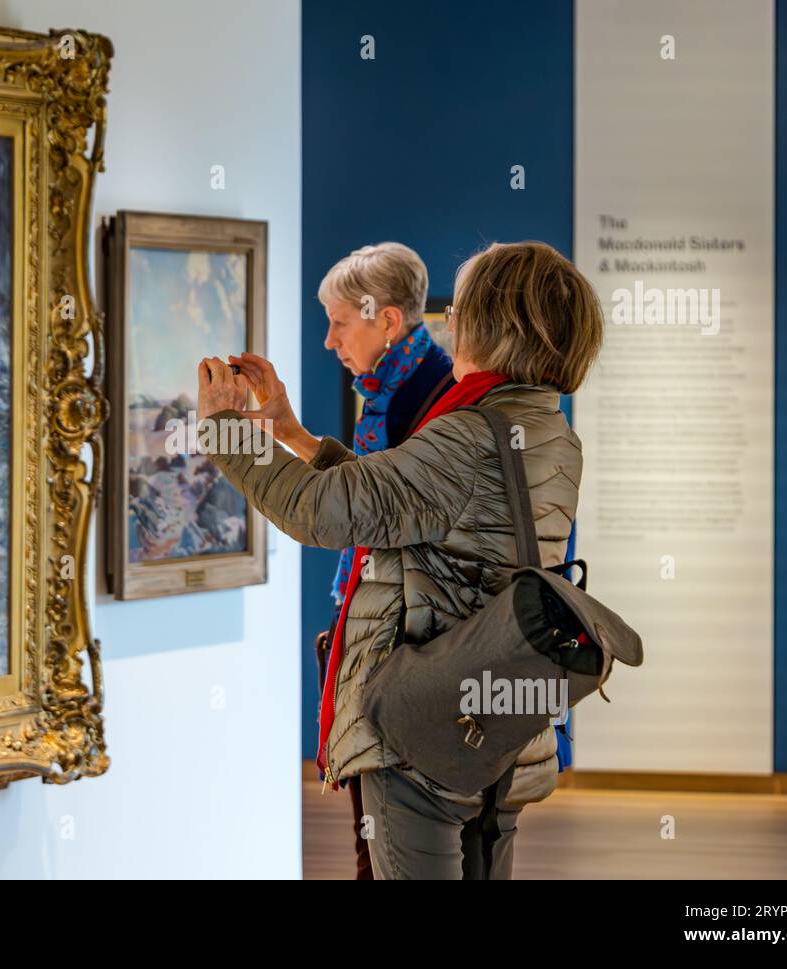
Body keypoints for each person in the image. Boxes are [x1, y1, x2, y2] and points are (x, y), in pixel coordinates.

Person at [197, 241, 603, 879]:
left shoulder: (468, 433)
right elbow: (411, 508)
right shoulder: (544, 425)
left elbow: (324, 511)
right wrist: (298, 436)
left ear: (491, 324)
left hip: (428, 732)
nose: (452, 320)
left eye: (464, 307)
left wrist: (227, 432)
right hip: (492, 715)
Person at [312, 242, 455, 879]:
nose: (329, 340)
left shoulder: (426, 402)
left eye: (341, 322)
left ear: (388, 321)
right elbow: (375, 494)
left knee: (389, 840)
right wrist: (290, 430)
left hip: (401, 649)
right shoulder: (402, 391)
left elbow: (365, 510)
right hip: (393, 636)